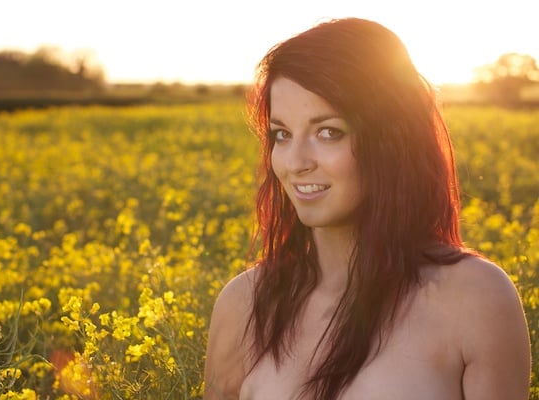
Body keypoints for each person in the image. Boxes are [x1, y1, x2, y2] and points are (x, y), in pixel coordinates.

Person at [204, 17, 531, 400]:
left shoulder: (475, 300)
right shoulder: (244, 305)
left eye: (329, 132)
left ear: (392, 140)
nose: (295, 162)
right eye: (282, 134)